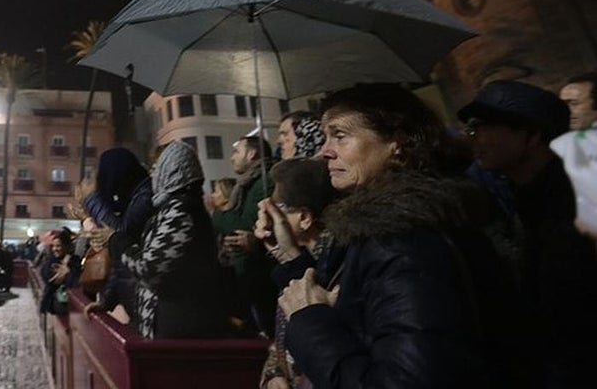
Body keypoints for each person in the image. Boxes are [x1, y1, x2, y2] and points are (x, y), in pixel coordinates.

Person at [277, 83, 523, 388]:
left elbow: (404, 381)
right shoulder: (379, 228)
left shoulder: (404, 241)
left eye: (340, 136)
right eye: (326, 137)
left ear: (397, 143)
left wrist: (310, 320)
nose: (325, 152)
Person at [460, 79, 597, 387]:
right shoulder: (524, 195)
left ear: (532, 134)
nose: (475, 138)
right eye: (472, 129)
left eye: (487, 127)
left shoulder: (577, 197)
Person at [107, 140, 229, 339]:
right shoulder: (172, 209)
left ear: (171, 170)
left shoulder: (181, 211)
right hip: (169, 325)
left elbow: (149, 268)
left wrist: (116, 240)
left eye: (156, 168)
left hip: (179, 331)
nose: (152, 175)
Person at [254, 158, 337, 389]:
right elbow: (282, 340)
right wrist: (274, 374)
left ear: (304, 218)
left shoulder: (333, 272)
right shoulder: (298, 263)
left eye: (276, 208)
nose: (266, 218)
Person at [78, 147, 153, 328]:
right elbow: (120, 255)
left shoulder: (144, 197)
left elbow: (120, 237)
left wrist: (91, 201)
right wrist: (108, 300)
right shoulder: (132, 198)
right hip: (137, 304)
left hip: (148, 305)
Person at [212, 134, 277, 334]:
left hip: (260, 277)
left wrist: (218, 215)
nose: (232, 157)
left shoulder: (264, 182)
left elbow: (244, 226)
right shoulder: (249, 184)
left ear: (251, 154)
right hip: (250, 275)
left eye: (236, 151)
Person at [38, 229, 79, 315]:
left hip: (70, 304)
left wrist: (67, 273)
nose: (55, 249)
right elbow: (48, 278)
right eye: (53, 246)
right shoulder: (50, 261)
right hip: (53, 302)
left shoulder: (75, 261)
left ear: (66, 246)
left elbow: (76, 283)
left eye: (58, 246)